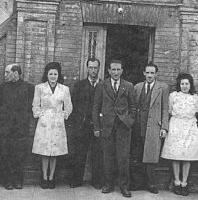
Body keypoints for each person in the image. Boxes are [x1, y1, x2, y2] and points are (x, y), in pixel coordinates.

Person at [92, 59, 136, 198]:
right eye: (113, 70)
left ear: (122, 71)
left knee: (123, 159)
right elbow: (95, 108)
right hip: (107, 126)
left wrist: (129, 121)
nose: (116, 72)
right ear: (109, 71)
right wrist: (97, 127)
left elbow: (133, 107)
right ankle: (108, 184)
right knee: (107, 157)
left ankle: (124, 187)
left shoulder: (128, 86)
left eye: (118, 69)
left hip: (123, 127)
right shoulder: (102, 85)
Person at [32, 62, 72, 189]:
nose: (53, 76)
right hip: (44, 121)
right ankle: (44, 177)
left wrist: (63, 115)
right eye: (50, 74)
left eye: (55, 74)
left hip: (58, 122)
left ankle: (51, 178)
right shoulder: (39, 88)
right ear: (46, 75)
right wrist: (40, 115)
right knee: (44, 151)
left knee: (55, 152)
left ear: (58, 75)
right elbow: (35, 104)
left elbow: (69, 106)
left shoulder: (64, 89)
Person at [161, 73, 198, 196]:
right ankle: (177, 182)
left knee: (187, 156)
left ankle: (184, 183)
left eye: (187, 84)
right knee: (176, 155)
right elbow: (168, 111)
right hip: (176, 126)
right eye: (182, 84)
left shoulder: (195, 97)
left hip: (190, 127)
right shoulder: (173, 96)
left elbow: (197, 112)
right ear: (179, 85)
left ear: (190, 85)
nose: (184, 86)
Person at [0, 64, 34, 190]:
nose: (5, 75)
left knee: (19, 155)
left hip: (20, 128)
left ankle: (18, 181)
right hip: (6, 128)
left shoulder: (28, 88)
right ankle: (7, 181)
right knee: (5, 154)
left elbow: (30, 107)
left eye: (7, 72)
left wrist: (23, 120)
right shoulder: (2, 88)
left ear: (16, 73)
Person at [132, 62, 169, 194]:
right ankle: (137, 183)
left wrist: (164, 127)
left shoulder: (162, 88)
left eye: (152, 73)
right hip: (138, 126)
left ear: (156, 74)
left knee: (151, 156)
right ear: (144, 73)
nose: (149, 75)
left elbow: (165, 108)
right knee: (138, 154)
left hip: (154, 127)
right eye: (147, 72)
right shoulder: (137, 87)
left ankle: (151, 184)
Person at [68, 58, 104, 189]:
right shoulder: (80, 85)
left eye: (95, 68)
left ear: (99, 68)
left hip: (97, 125)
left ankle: (97, 181)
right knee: (79, 153)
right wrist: (76, 123)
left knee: (97, 154)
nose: (93, 70)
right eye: (91, 68)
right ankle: (76, 180)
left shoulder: (104, 85)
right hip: (82, 124)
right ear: (87, 68)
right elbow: (74, 105)